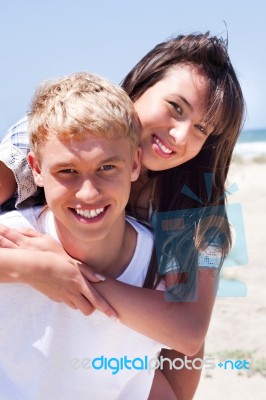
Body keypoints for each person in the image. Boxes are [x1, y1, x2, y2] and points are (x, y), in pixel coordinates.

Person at [0, 32, 245, 399]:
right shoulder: (64, 128)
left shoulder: (196, 202)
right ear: (142, 85)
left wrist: (71, 272)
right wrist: (33, 268)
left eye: (201, 129)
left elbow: (188, 332)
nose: (178, 136)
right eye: (176, 108)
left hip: (128, 339)